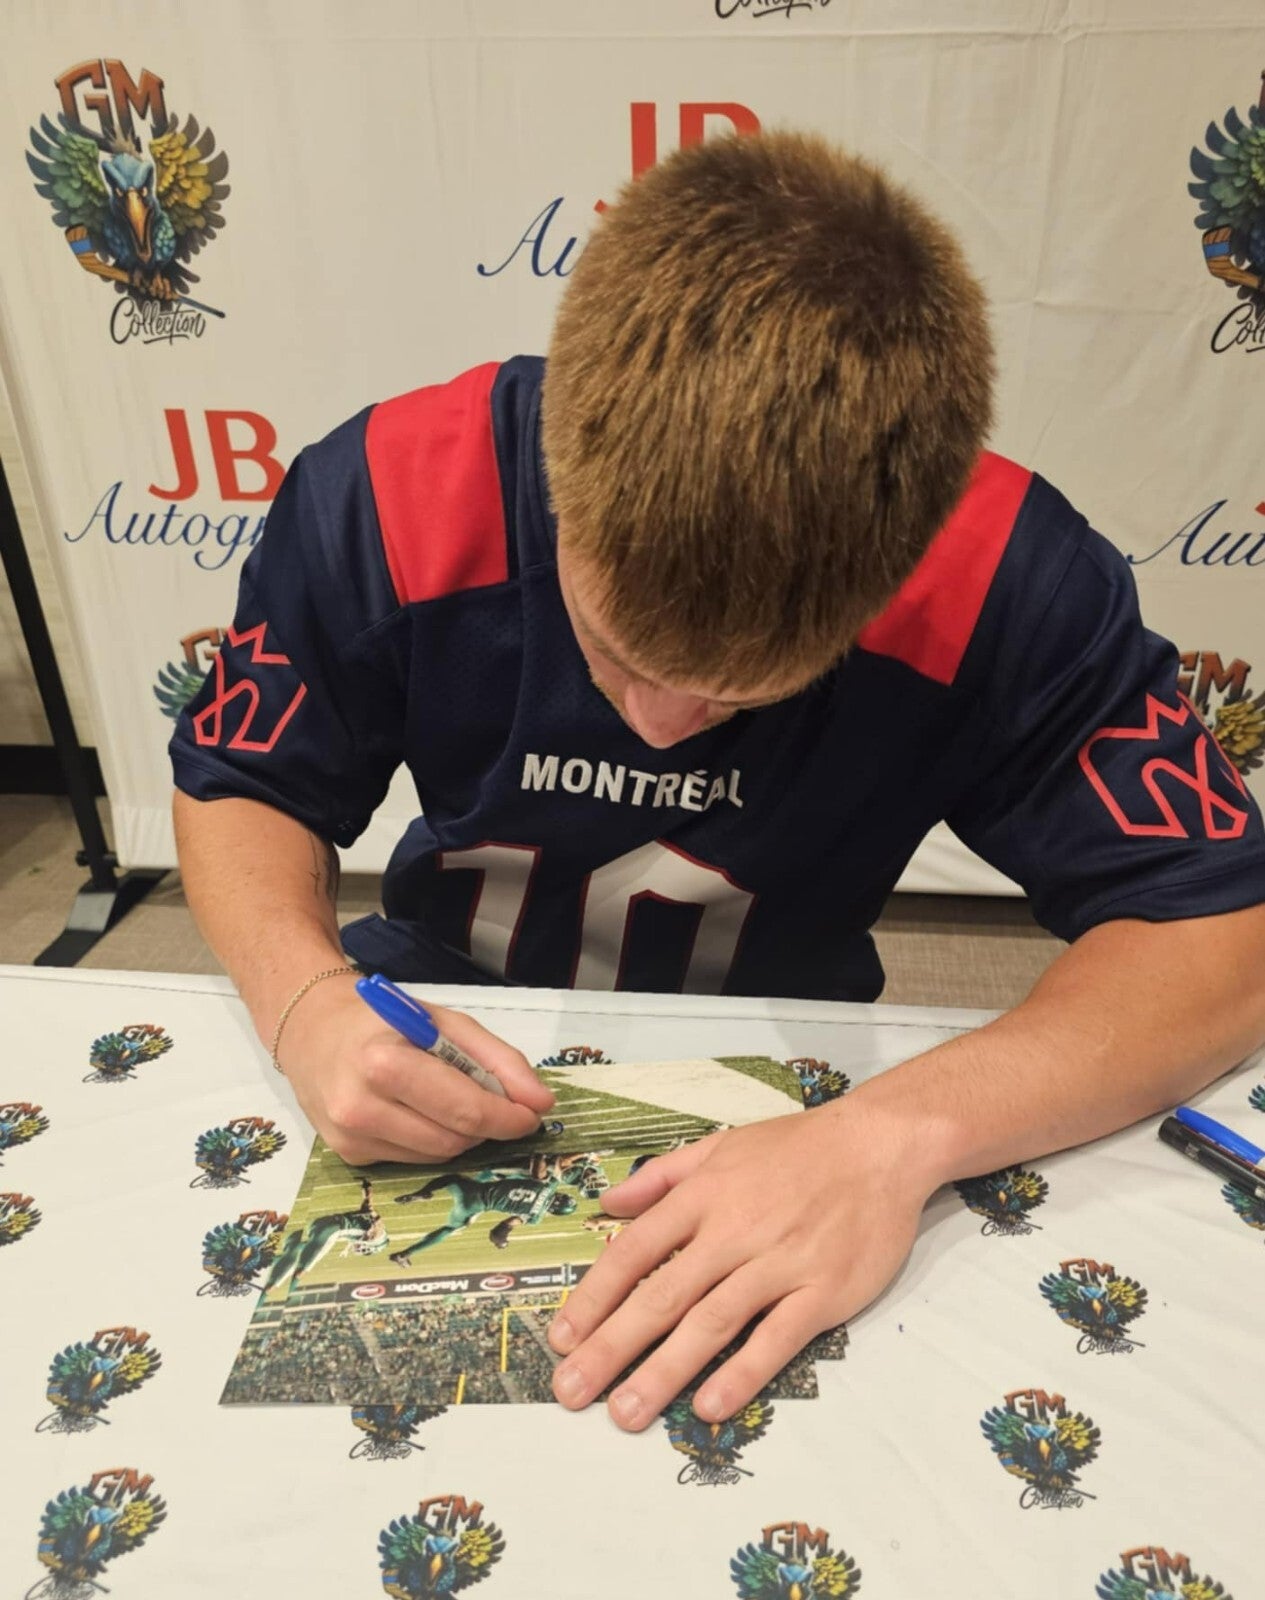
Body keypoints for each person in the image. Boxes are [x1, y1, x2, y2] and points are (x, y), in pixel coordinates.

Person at [170, 130, 1265, 1433]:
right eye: (621, 656)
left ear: (905, 553)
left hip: (794, 1063)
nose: (668, 725)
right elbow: (246, 778)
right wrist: (303, 1002)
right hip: (440, 1017)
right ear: (556, 471)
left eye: (750, 688)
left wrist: (892, 1137)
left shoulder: (1003, 574)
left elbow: (1222, 933)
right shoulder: (395, 488)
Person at [389, 1171, 579, 1263]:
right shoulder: (534, 1217)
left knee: (452, 1178)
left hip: (476, 1187)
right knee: (451, 1229)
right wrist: (501, 1243)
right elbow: (498, 1232)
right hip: (475, 1205)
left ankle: (425, 1191)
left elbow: (546, 1170)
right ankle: (406, 1253)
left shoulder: (549, 1186)